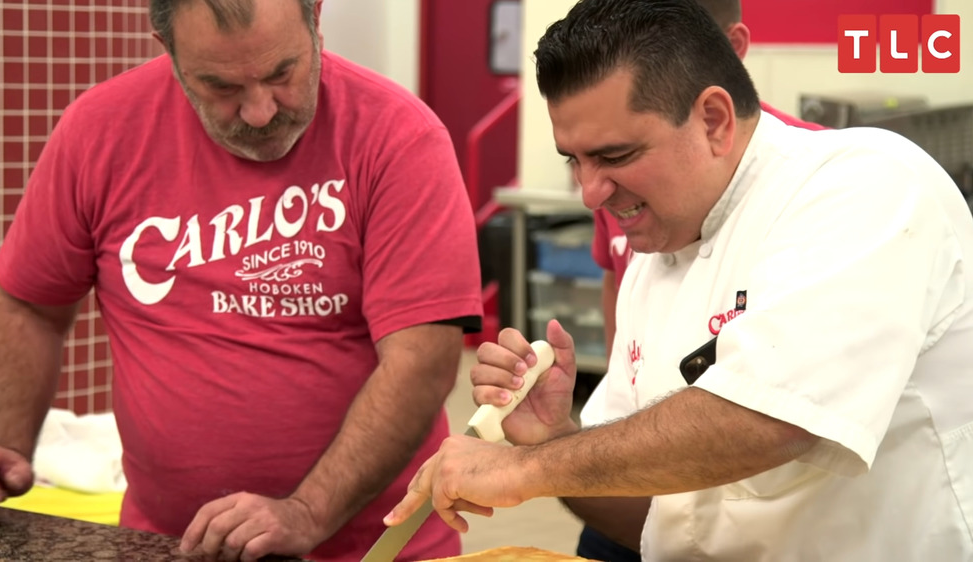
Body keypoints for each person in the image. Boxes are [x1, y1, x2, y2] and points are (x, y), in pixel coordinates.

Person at [384, 0, 973, 560]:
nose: (590, 192)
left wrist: (521, 470)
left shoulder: (867, 185)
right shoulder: (655, 255)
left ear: (713, 119)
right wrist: (552, 439)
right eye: (574, 160)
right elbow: (651, 520)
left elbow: (768, 420)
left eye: (613, 156)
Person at [0, 1, 483, 561]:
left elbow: (421, 360)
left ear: (316, 17)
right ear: (166, 49)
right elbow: (29, 306)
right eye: (221, 86)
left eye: (281, 74)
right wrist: (6, 445)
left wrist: (308, 510)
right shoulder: (99, 131)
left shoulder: (398, 136)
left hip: (378, 548)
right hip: (167, 543)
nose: (261, 111)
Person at [582, 1, 827, 558]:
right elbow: (616, 281)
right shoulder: (625, 186)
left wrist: (531, 463)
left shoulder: (818, 184)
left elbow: (772, 412)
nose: (592, 189)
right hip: (640, 470)